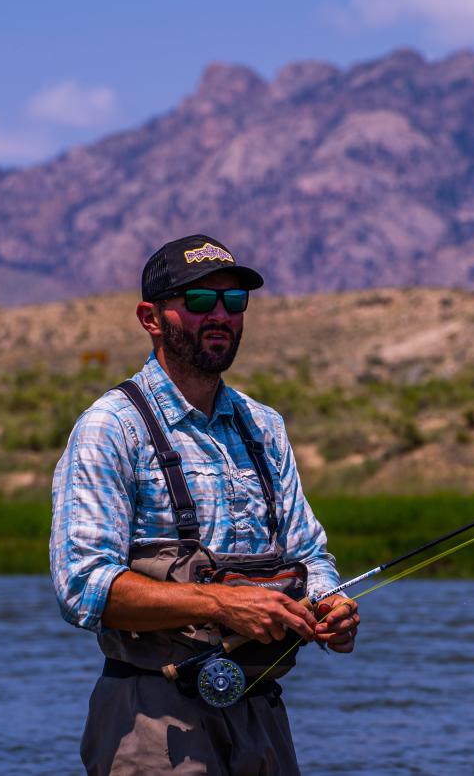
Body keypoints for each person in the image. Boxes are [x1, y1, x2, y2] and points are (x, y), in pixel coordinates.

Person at [51, 234, 360, 775]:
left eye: (233, 301)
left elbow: (309, 555)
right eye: (199, 301)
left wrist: (331, 606)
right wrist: (221, 604)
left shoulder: (265, 426)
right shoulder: (111, 427)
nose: (220, 315)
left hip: (261, 720)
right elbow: (84, 587)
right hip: (151, 721)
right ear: (151, 317)